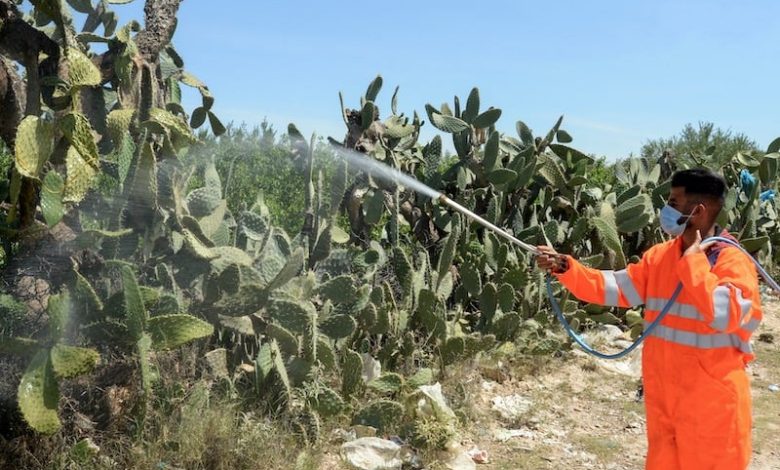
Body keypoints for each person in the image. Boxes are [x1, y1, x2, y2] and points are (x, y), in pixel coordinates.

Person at [536, 168, 762, 470]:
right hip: (665, 403)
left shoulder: (732, 261)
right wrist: (566, 267)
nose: (665, 209)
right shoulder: (661, 256)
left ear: (698, 211)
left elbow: (723, 315)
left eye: (673, 201)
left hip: (712, 409)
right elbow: (615, 287)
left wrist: (693, 261)